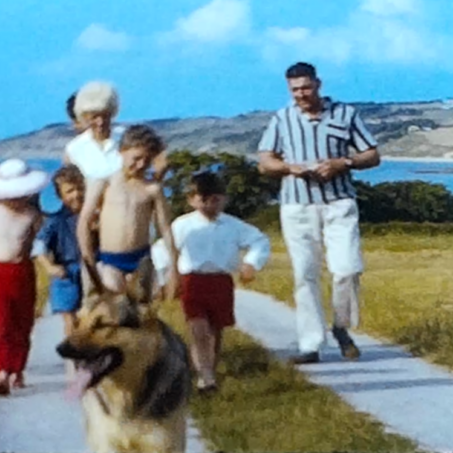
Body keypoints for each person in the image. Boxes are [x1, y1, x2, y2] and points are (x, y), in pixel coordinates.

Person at [257, 61, 381, 364]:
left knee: (347, 268)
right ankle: (310, 344)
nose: (301, 94)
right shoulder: (282, 118)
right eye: (295, 89)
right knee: (304, 274)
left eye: (306, 87)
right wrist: (289, 168)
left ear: (318, 84)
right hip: (297, 204)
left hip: (339, 202)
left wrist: (343, 163)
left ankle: (341, 326)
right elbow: (265, 161)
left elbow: (372, 154)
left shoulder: (345, 113)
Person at [153, 171, 270, 393]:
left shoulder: (234, 225)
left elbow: (259, 241)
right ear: (191, 199)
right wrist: (162, 279)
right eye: (202, 199)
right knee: (198, 327)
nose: (208, 204)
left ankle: (210, 371)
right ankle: (204, 377)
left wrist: (251, 263)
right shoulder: (183, 225)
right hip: (192, 281)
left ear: (224, 199)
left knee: (216, 330)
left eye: (214, 199)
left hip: (221, 281)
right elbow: (162, 250)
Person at [0, 158, 49, 396]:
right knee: (0, 324)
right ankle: (1, 371)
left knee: (22, 324)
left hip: (22, 272)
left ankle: (17, 369)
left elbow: (40, 247)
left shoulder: (33, 216)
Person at [77, 124, 180, 304]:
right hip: (110, 259)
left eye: (146, 161)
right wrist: (88, 260)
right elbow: (84, 222)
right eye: (136, 158)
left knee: (143, 310)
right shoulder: (104, 183)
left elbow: (164, 227)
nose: (140, 165)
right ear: (122, 151)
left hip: (140, 258)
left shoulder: (152, 189)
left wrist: (174, 267)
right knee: (113, 306)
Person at [33, 165, 86, 338]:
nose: (76, 194)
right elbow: (39, 244)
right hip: (66, 272)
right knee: (70, 318)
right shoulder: (56, 221)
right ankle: (75, 357)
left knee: (88, 317)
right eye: (70, 191)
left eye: (79, 188)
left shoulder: (92, 216)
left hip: (90, 269)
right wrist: (49, 267)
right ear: (60, 195)